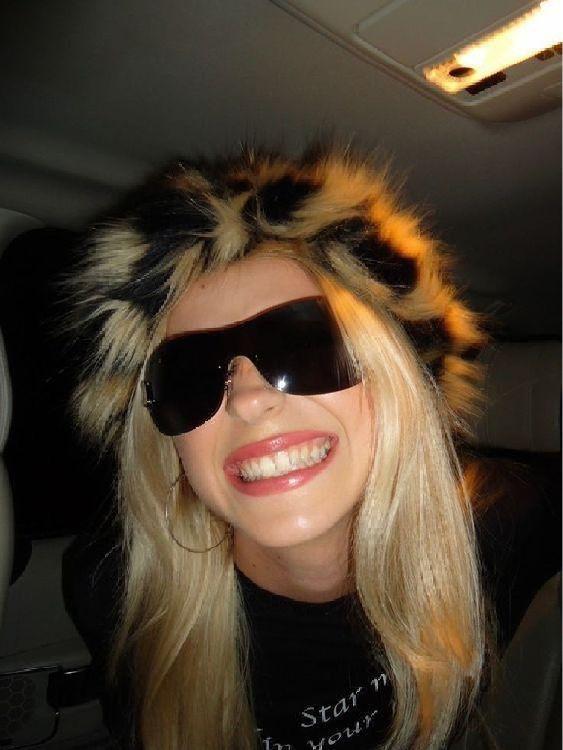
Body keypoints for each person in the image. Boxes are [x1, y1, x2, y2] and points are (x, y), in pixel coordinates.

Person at [67, 145, 490, 750]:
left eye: (302, 344)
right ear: (169, 443)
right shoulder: (120, 597)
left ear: (397, 380)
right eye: (189, 374)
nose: (248, 400)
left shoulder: (502, 531)